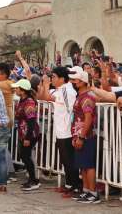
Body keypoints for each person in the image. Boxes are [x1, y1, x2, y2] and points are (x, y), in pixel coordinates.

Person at [37, 66, 80, 196]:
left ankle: (75, 187)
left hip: (67, 130)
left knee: (70, 160)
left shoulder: (68, 91)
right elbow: (44, 98)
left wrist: (45, 84)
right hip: (60, 129)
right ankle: (68, 184)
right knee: (65, 160)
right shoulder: (59, 90)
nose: (52, 79)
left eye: (54, 77)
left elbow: (72, 110)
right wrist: (45, 85)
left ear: (62, 78)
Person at [69, 67, 100, 204]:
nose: (73, 82)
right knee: (83, 165)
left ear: (82, 81)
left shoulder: (87, 98)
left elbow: (88, 119)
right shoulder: (81, 96)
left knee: (88, 165)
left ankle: (93, 192)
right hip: (79, 135)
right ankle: (86, 190)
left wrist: (81, 136)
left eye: (75, 80)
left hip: (86, 136)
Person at [14, 78, 40, 191]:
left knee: (26, 156)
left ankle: (33, 180)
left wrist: (28, 137)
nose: (15, 89)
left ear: (23, 90)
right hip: (23, 132)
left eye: (17, 88)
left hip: (30, 133)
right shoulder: (22, 100)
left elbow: (31, 121)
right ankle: (32, 179)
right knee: (24, 155)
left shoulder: (29, 102)